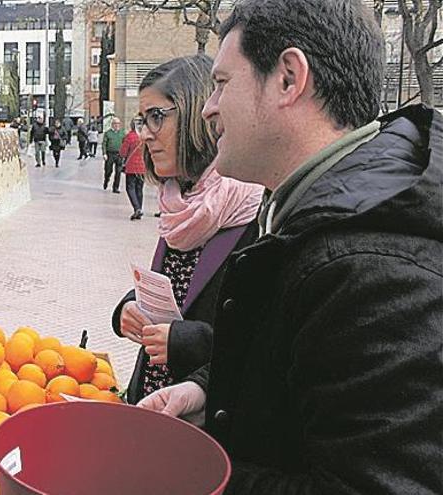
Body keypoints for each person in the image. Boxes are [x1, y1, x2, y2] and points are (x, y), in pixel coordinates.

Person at [140, 1, 442, 493]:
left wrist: (194, 473)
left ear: (288, 78)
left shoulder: (374, 265)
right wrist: (208, 391)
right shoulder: (310, 210)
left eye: (221, 84)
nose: (210, 107)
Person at [112, 54, 263, 404]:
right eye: (142, 119)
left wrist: (182, 341)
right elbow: (175, 295)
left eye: (156, 117)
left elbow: (256, 341)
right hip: (153, 399)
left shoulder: (251, 213)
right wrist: (128, 308)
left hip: (204, 416)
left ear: (197, 114)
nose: (144, 135)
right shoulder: (179, 201)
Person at [119, 117, 147, 220]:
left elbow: (123, 152)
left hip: (131, 167)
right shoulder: (144, 137)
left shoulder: (130, 137)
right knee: (139, 189)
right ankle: (139, 208)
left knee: (130, 188)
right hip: (142, 167)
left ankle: (137, 209)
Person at [101, 117, 125, 192]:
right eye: (115, 123)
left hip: (119, 154)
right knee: (108, 170)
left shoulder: (122, 133)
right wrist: (104, 153)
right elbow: (104, 144)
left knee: (118, 171)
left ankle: (115, 187)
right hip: (110, 154)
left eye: (118, 123)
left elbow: (125, 143)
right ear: (112, 124)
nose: (117, 125)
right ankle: (106, 180)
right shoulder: (108, 133)